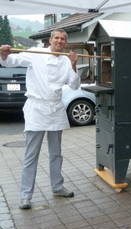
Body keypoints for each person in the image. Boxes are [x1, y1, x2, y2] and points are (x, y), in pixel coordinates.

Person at [0, 29, 80, 210]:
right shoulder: (36, 54)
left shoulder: (67, 60)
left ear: (65, 42)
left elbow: (74, 85)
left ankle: (58, 187)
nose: (59, 41)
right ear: (50, 40)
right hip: (36, 108)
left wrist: (74, 65)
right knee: (31, 155)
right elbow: (11, 61)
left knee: (56, 153)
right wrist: (4, 53)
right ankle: (25, 196)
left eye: (63, 39)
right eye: (57, 38)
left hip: (55, 108)